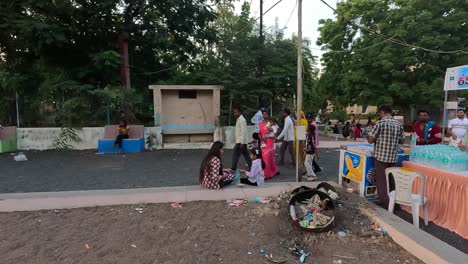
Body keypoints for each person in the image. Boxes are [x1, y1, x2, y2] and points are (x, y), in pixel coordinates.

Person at [367, 105, 405, 208]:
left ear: (382, 112)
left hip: (380, 157)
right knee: (392, 180)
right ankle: (395, 203)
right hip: (393, 157)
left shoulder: (380, 123)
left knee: (382, 181)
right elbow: (402, 141)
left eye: (380, 114)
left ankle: (387, 203)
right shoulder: (398, 124)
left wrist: (367, 134)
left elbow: (370, 140)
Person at [258, 110, 280, 179]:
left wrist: (272, 130)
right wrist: (261, 138)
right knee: (267, 157)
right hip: (263, 142)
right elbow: (258, 133)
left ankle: (267, 174)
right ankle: (274, 170)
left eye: (265, 114)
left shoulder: (271, 123)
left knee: (267, 157)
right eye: (263, 114)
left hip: (270, 141)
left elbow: (275, 133)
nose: (264, 115)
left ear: (268, 115)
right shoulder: (259, 124)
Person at [304, 113, 319, 181]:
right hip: (309, 151)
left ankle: (312, 175)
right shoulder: (309, 135)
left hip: (311, 151)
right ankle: (309, 174)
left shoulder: (311, 136)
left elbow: (313, 145)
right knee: (309, 162)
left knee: (306, 163)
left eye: (308, 129)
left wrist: (316, 154)